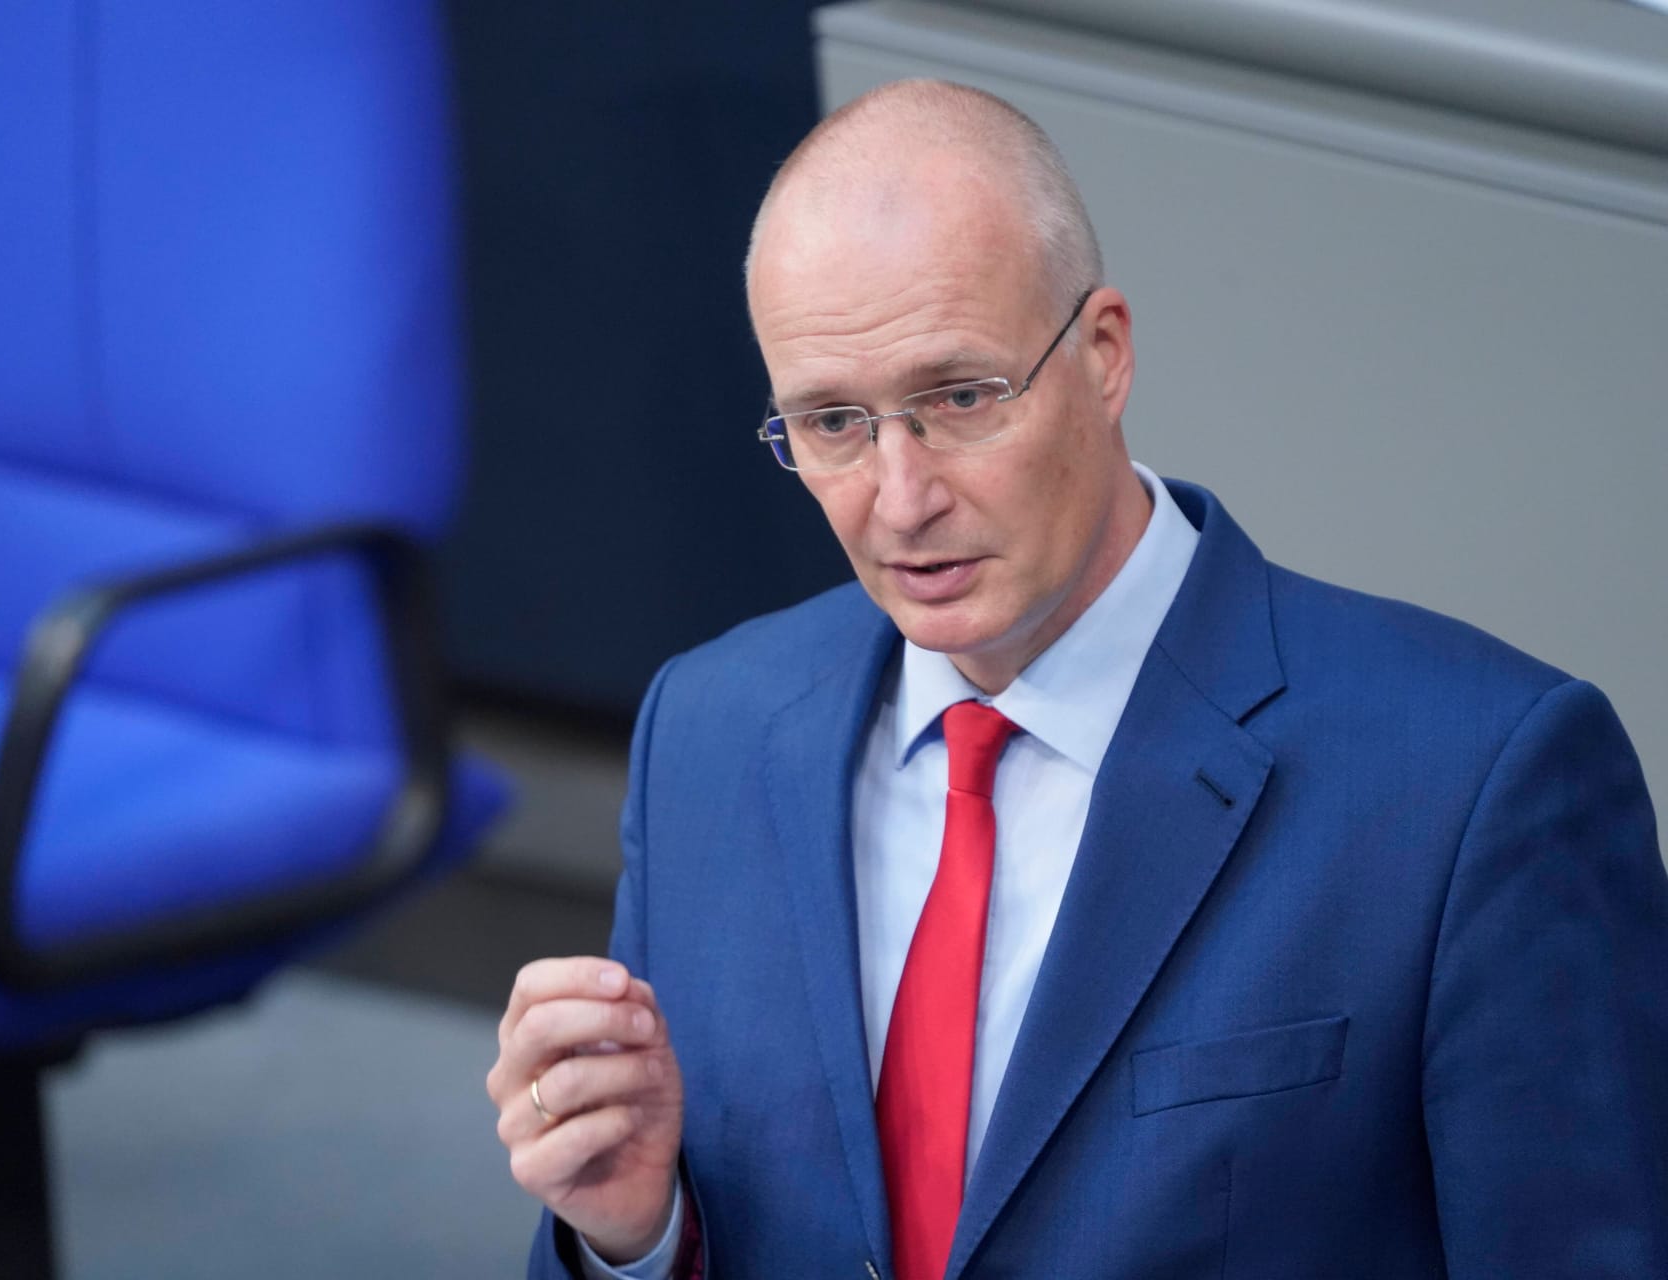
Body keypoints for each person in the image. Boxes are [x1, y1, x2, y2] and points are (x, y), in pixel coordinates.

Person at [486, 78, 1668, 1279]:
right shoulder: (709, 729)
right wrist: (637, 1237)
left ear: (1104, 354)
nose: (902, 499)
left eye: (960, 395)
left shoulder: (1475, 780)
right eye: (834, 422)